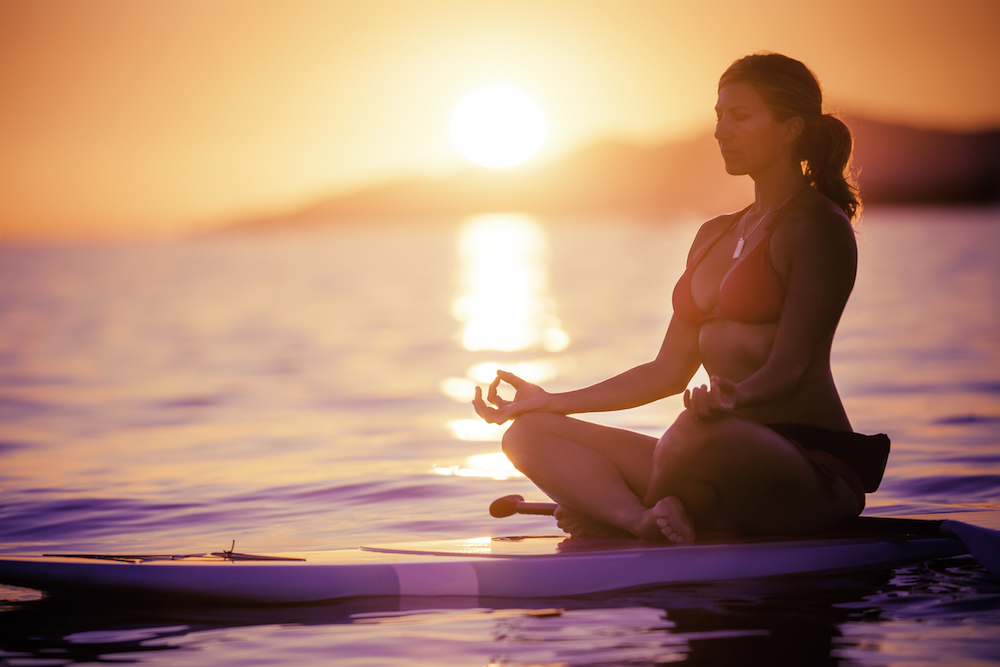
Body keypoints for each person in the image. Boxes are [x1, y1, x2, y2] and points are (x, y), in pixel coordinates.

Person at [471, 52, 890, 543]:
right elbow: (666, 372)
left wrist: (733, 398)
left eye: (739, 116)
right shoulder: (713, 234)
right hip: (706, 447)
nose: (720, 131)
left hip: (804, 465)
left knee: (692, 432)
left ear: (789, 128)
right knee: (527, 434)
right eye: (718, 116)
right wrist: (550, 402)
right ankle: (637, 519)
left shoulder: (818, 226)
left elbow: (789, 367)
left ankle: (614, 511)